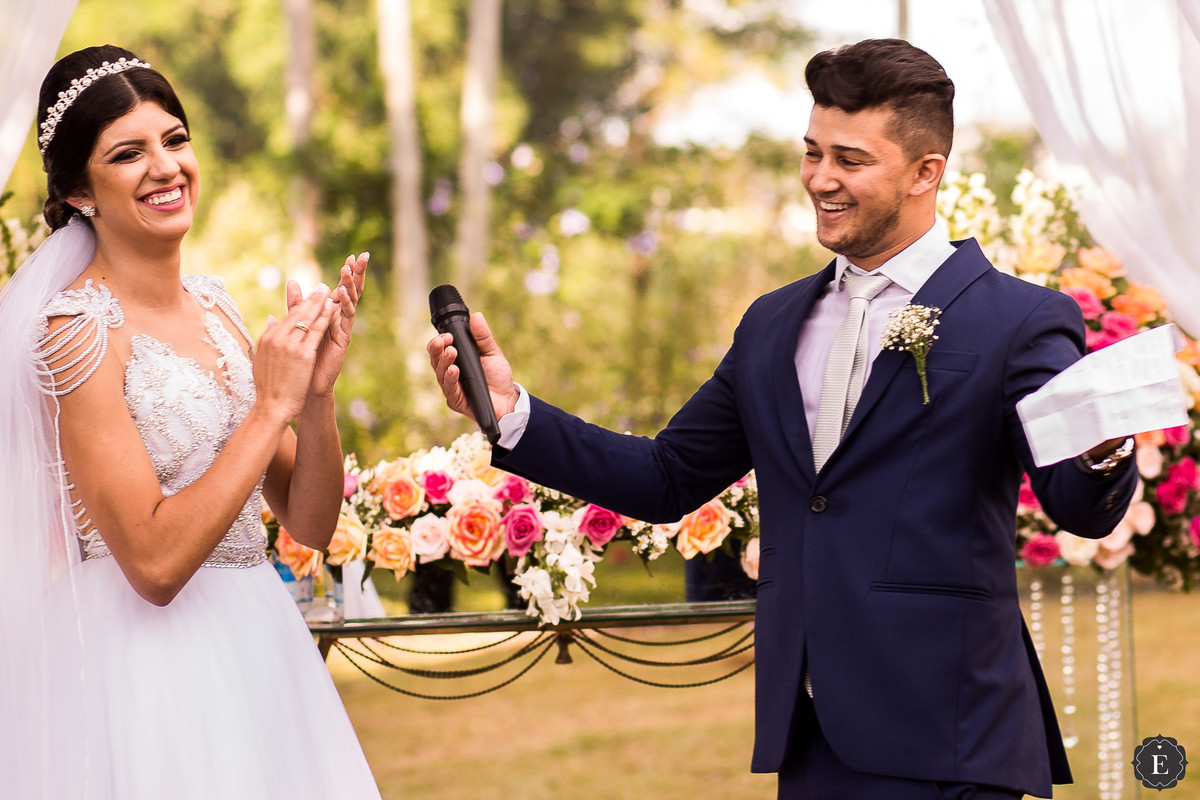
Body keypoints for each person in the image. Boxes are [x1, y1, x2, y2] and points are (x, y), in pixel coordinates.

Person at [428, 39, 1139, 799]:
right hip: (809, 734)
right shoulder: (772, 324)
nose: (820, 179)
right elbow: (666, 478)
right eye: (812, 152)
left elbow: (1079, 504)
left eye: (850, 160)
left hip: (952, 738)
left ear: (926, 172)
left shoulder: (1021, 320)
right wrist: (511, 412)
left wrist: (1104, 444)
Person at [0, 45, 380, 798]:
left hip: (261, 644)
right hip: (152, 669)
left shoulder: (217, 307)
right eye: (128, 154)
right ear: (78, 191)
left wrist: (314, 399)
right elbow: (154, 566)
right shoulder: (75, 331)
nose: (166, 167)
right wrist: (270, 406)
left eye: (175, 139)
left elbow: (308, 522)